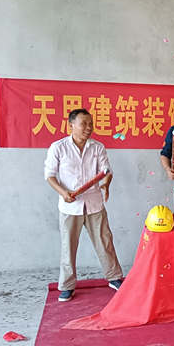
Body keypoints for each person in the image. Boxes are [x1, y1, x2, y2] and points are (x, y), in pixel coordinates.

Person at [44, 108, 124, 302]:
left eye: (91, 124)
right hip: (70, 206)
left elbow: (106, 171)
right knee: (68, 247)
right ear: (71, 125)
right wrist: (63, 193)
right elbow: (50, 175)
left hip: (94, 203)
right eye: (84, 124)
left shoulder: (97, 147)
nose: (89, 128)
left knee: (105, 242)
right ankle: (67, 285)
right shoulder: (58, 147)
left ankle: (114, 277)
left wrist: (106, 183)